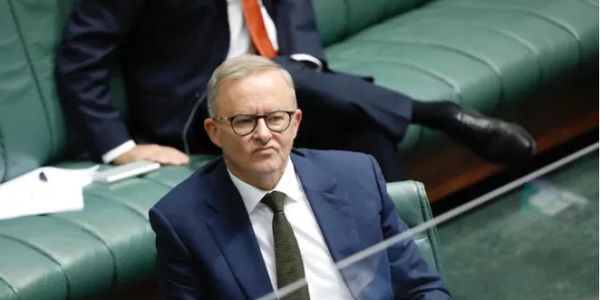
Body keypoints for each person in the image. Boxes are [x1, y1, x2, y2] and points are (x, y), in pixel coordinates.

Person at [149, 55, 462, 300]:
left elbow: (421, 287)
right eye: (244, 121)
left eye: (275, 118)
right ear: (214, 131)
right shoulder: (182, 220)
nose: (263, 134)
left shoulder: (356, 177)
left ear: (295, 122)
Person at [56, 0, 534, 181]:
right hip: (198, 105)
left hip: (289, 83)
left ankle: (411, 270)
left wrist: (302, 62)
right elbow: (80, 59)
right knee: (272, 80)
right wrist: (120, 147)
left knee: (363, 132)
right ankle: (436, 113)